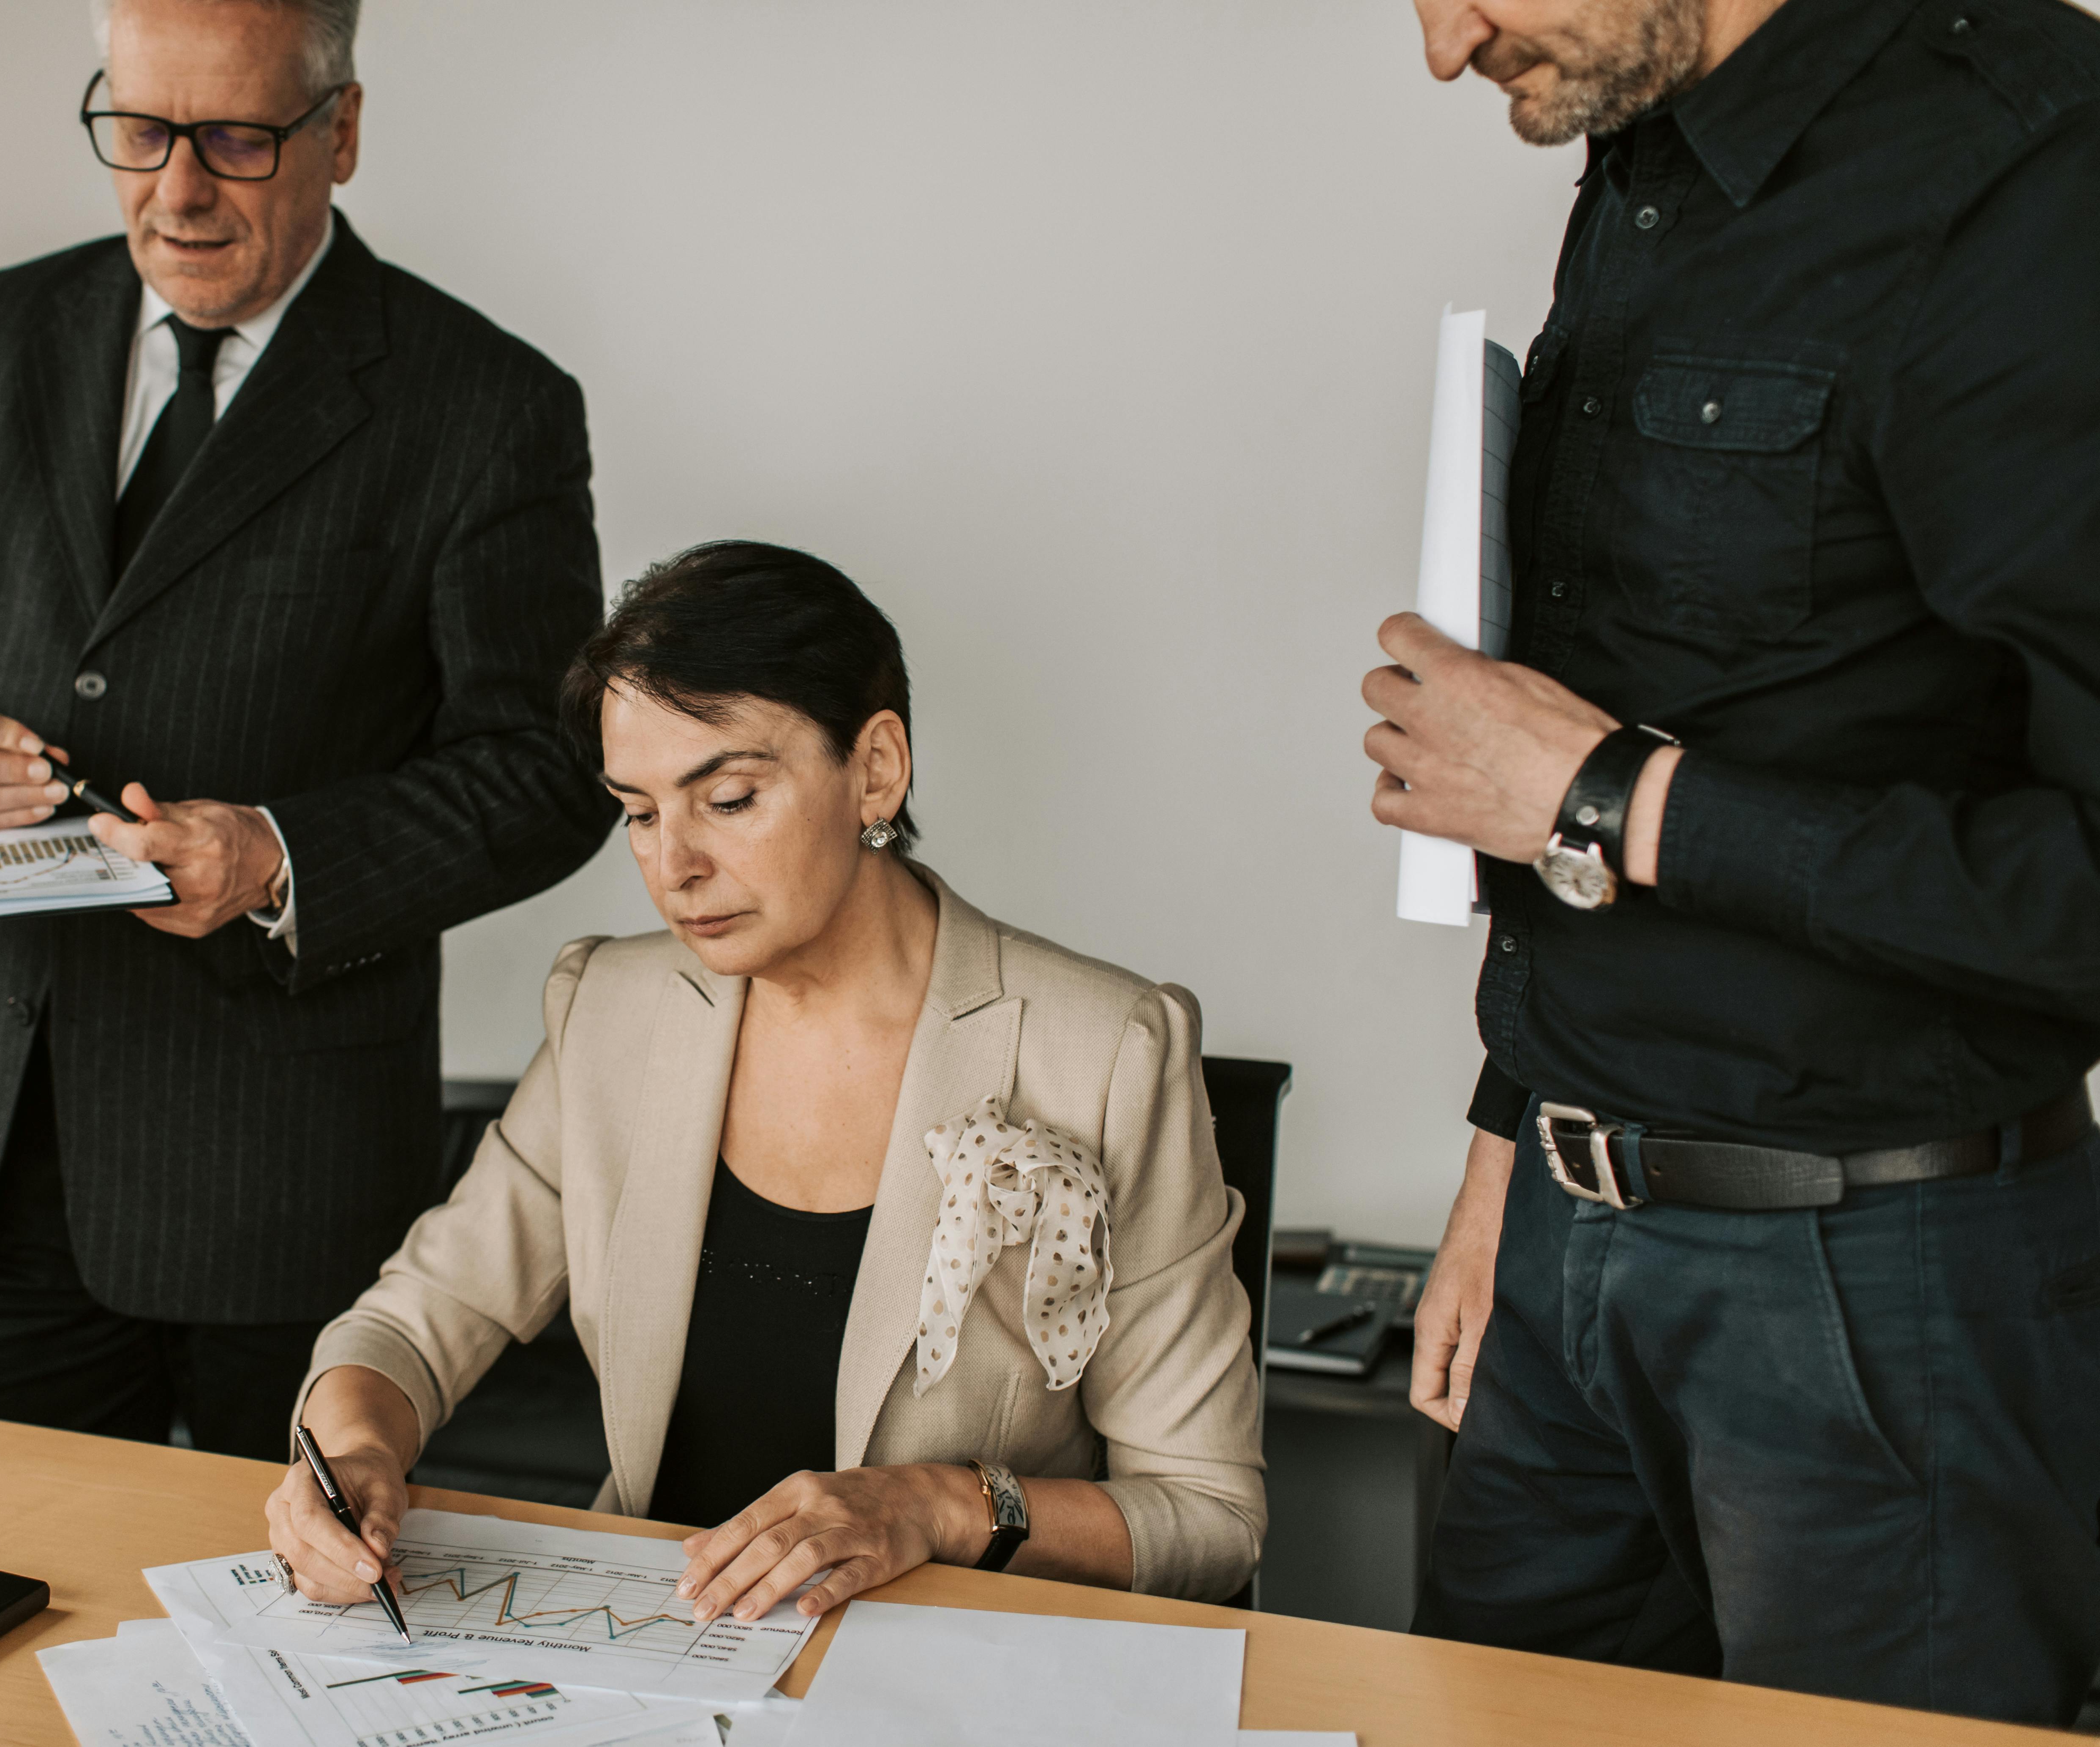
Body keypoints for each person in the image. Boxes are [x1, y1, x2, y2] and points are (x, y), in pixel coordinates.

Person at [1363, 0, 2100, 1723]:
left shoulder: (2022, 163)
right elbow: (1683, 671)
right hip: (1559, 1244)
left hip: (1882, 1283)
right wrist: (1505, 1143)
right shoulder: (1638, 138)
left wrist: (1610, 792)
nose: (1440, 40)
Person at [0, 0, 612, 1457]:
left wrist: (281, 854)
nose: (175, 191)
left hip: (284, 1191)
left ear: (340, 132)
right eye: (138, 129)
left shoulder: (488, 405)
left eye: (234, 138)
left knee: (291, 1651)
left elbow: (547, 768)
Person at [264, 542, 1266, 1614]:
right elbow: (419, 1317)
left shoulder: (1104, 1049)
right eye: (639, 813)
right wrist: (356, 1444)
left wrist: (932, 1505)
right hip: (648, 1648)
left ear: (875, 768)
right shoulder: (609, 1006)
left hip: (944, 1671)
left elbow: (1209, 1517)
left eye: (729, 798)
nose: (673, 865)